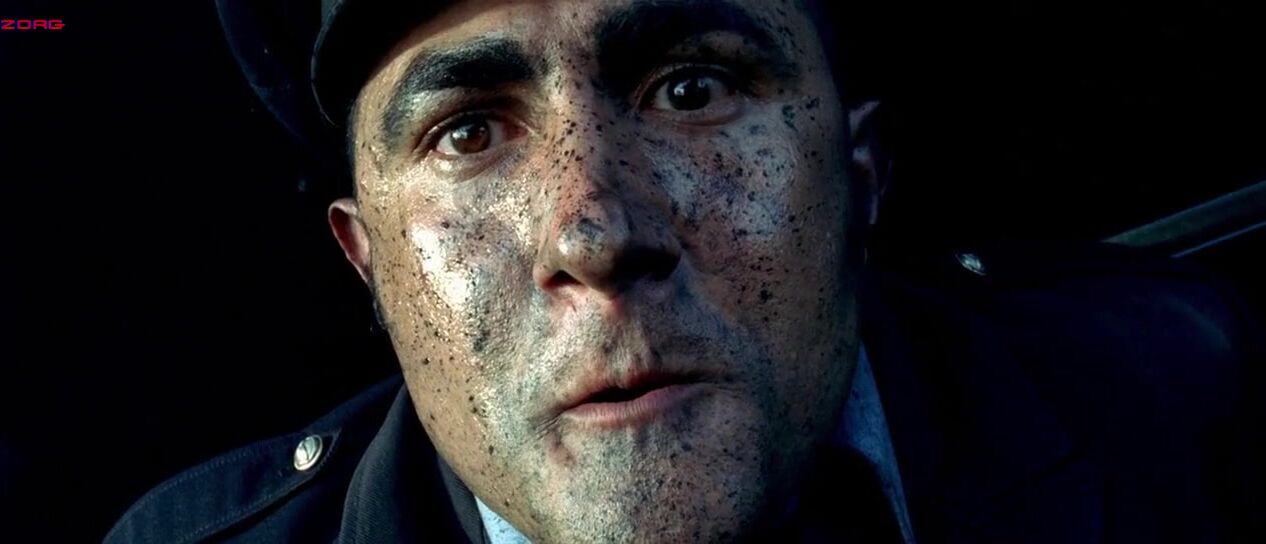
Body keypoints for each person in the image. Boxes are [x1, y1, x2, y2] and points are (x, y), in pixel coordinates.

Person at [106, 0, 1263, 542]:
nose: (596, 235)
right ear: (369, 264)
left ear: (859, 174)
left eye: (692, 89)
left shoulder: (1189, 404)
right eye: (469, 132)